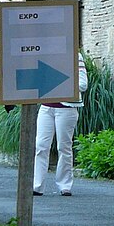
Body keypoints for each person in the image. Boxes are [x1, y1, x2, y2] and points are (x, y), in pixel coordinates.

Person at [33, 52, 88, 196]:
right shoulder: (45, 54)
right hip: (46, 106)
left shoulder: (75, 56)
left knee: (64, 146)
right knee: (40, 146)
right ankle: (37, 185)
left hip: (67, 108)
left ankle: (65, 185)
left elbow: (83, 84)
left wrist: (58, 82)